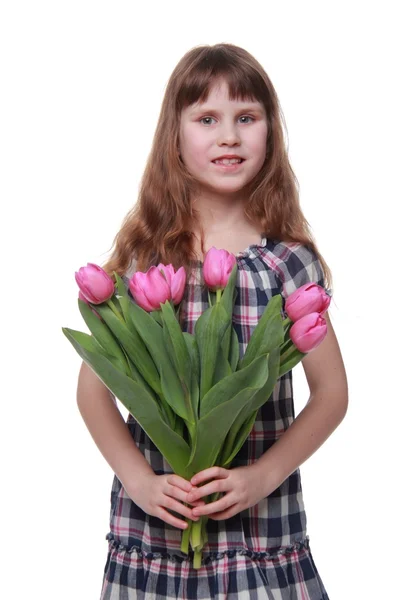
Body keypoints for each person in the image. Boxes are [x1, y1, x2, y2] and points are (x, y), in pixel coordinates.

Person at [77, 43, 348, 599]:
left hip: (258, 530)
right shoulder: (145, 261)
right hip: (158, 529)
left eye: (246, 118)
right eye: (207, 119)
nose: (229, 136)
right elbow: (94, 393)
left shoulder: (287, 263)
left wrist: (263, 476)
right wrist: (138, 481)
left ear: (269, 133)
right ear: (174, 137)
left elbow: (332, 393)